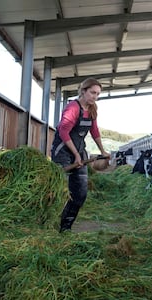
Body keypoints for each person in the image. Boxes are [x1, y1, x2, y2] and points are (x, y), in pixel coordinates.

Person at [51, 77, 110, 232]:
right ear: (83, 91)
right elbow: (63, 130)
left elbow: (94, 131)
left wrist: (102, 150)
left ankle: (65, 228)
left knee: (80, 193)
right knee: (55, 187)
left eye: (97, 94)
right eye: (92, 93)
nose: (95, 97)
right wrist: (76, 155)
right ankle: (45, 218)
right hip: (63, 151)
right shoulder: (73, 108)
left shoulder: (92, 109)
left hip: (79, 150)